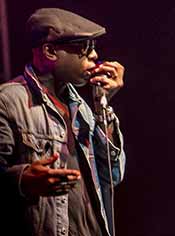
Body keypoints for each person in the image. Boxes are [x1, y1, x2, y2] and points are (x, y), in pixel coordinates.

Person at [0, 8, 126, 236]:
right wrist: (24, 180)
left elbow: (112, 176)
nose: (94, 56)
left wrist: (103, 105)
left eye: (94, 48)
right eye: (84, 48)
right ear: (50, 51)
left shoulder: (83, 108)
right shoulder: (8, 101)